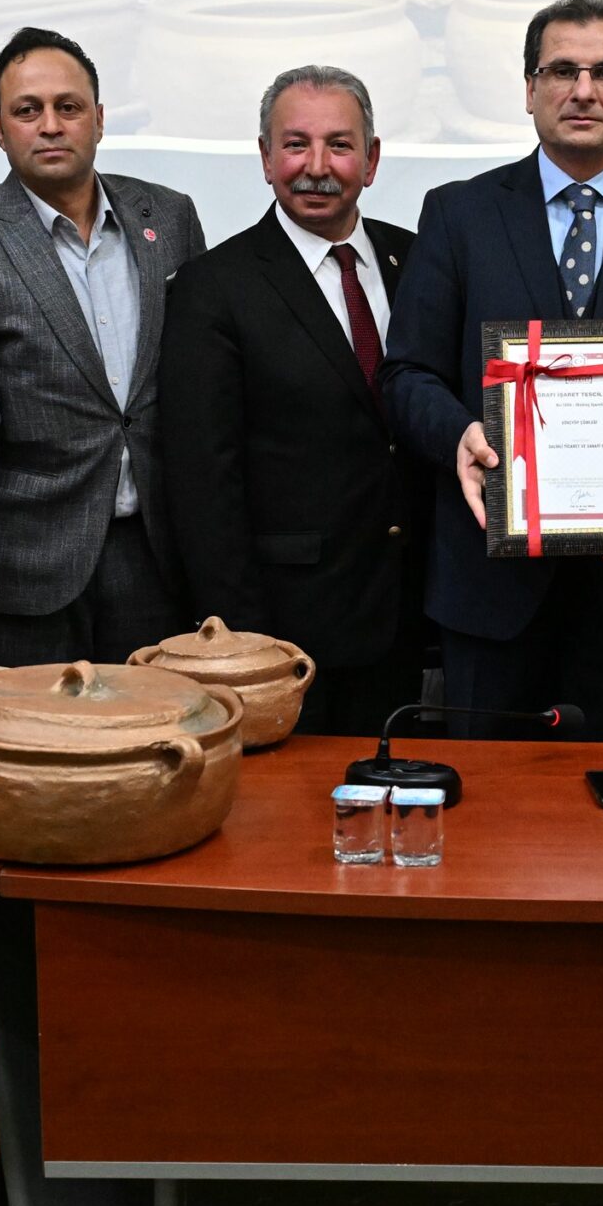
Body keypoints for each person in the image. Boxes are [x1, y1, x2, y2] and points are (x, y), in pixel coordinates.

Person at [380, 0, 603, 739]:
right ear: (530, 89)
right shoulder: (458, 213)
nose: (583, 90)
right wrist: (461, 439)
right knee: (491, 818)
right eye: (562, 70)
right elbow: (409, 372)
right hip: (492, 583)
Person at [0, 26, 206, 670]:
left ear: (98, 120)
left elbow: (202, 393)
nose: (50, 125)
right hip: (29, 573)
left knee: (152, 750)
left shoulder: (171, 218)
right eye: (28, 110)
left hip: (159, 557)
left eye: (68, 107)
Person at [160, 66, 433, 735]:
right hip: (287, 628)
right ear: (264, 157)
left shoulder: (420, 261)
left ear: (371, 161)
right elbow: (204, 480)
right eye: (295, 144)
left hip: (415, 610)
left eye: (339, 145)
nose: (317, 167)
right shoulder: (213, 287)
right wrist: (246, 640)